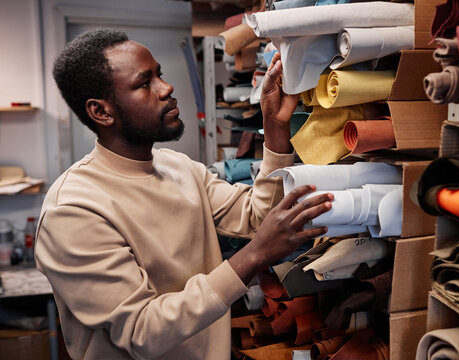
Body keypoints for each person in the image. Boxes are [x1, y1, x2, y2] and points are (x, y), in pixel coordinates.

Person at [35, 28, 333, 359]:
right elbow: (142, 330)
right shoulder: (73, 209)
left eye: (159, 74)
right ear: (102, 112)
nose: (166, 88)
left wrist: (275, 130)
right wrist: (253, 257)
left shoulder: (178, 167)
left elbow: (258, 218)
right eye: (144, 83)